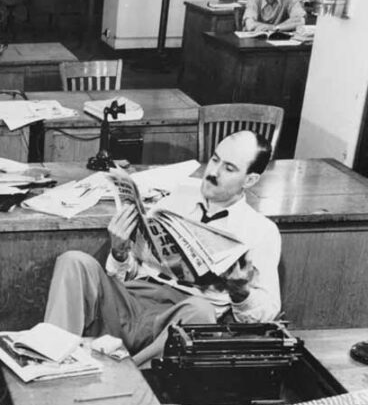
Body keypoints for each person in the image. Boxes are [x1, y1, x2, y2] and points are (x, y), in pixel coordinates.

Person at [43, 131, 281, 365]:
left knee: (201, 311)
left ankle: (130, 379)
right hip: (134, 300)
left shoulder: (261, 231)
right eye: (215, 159)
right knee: (73, 261)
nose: (213, 173)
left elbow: (266, 314)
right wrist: (119, 252)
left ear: (250, 180)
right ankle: (51, 362)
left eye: (229, 168)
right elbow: (132, 269)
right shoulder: (175, 199)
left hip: (181, 316)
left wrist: (241, 292)